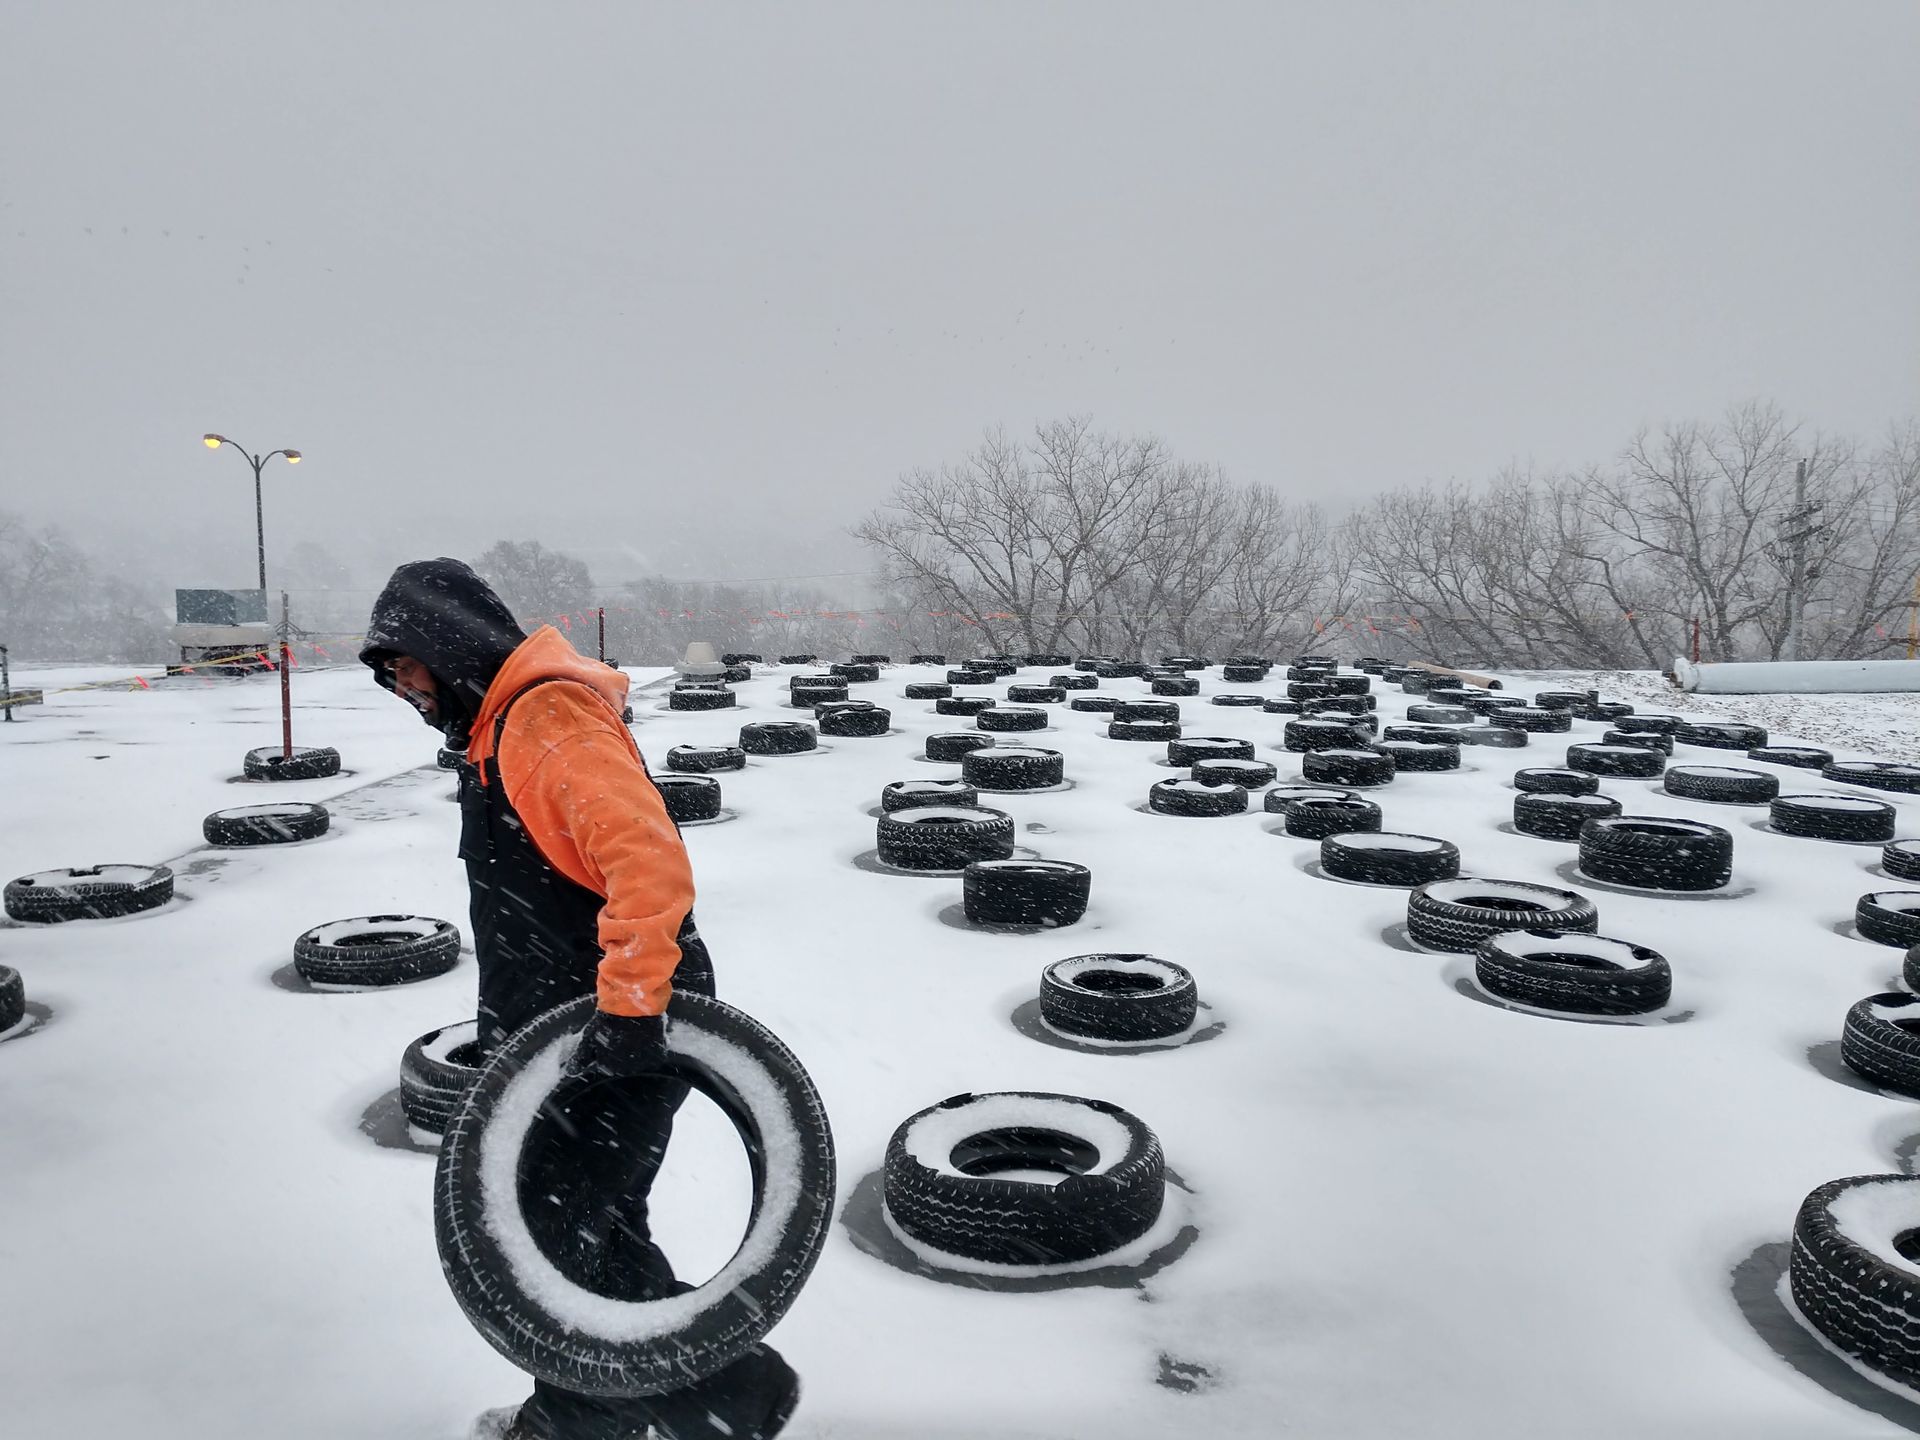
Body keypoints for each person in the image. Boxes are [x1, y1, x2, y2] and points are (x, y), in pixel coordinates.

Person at [359, 558, 798, 1440]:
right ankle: (729, 1391)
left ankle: (574, 1422)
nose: (404, 690)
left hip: (620, 1026)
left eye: (406, 667)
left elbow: (647, 863)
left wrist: (631, 1013)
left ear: (449, 646)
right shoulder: (494, 730)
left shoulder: (545, 718)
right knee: (601, 1226)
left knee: (554, 1249)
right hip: (556, 1032)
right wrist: (508, 1036)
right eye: (390, 677)